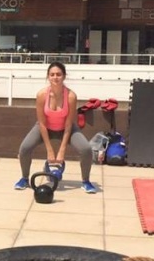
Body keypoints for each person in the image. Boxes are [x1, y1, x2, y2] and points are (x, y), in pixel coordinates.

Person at [14, 62, 96, 194]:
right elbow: (41, 123)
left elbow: (69, 124)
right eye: (52, 75)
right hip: (45, 127)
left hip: (66, 128)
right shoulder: (42, 95)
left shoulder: (70, 96)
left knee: (86, 149)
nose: (55, 77)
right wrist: (50, 151)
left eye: (58, 74)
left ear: (64, 76)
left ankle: (86, 181)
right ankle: (24, 178)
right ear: (48, 77)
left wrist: (62, 151)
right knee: (24, 148)